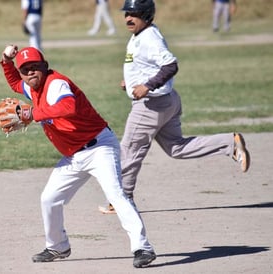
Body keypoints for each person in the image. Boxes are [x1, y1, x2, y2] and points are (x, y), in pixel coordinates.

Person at [0, 45, 156, 268]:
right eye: (26, 69)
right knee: (49, 198)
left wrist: (33, 113)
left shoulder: (56, 83)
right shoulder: (32, 87)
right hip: (74, 156)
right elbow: (16, 82)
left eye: (35, 67)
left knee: (116, 195)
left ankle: (143, 248)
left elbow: (68, 106)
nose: (31, 72)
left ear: (44, 67)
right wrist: (6, 60)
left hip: (98, 147)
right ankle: (58, 246)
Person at [99, 0, 250, 214]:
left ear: (147, 15)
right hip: (166, 100)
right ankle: (229, 143)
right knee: (176, 148)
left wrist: (147, 86)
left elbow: (170, 65)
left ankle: (122, 201)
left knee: (129, 151)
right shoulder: (142, 35)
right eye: (126, 14)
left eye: (134, 14)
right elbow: (146, 65)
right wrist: (132, 83)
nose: (128, 18)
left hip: (151, 106)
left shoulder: (149, 37)